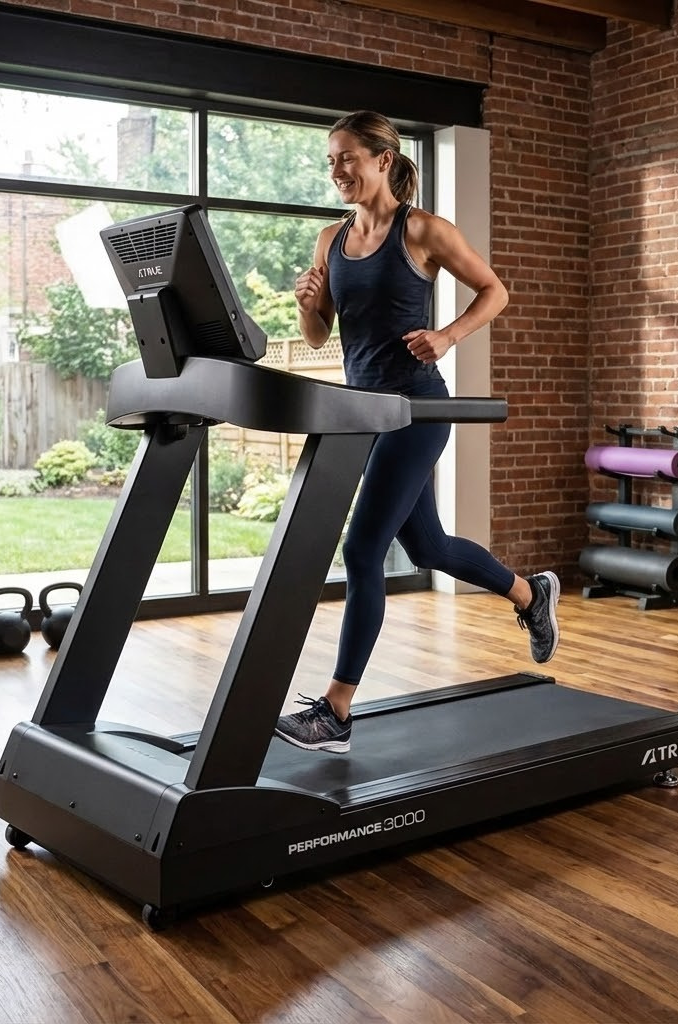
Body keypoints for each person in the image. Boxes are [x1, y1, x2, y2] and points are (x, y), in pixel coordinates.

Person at [274, 110, 559, 754]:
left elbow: (494, 290)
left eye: (347, 157)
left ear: (382, 159)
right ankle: (530, 592)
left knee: (362, 550)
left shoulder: (423, 230)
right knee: (426, 547)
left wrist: (448, 336)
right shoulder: (331, 239)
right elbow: (319, 338)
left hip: (416, 411)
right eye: (331, 160)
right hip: (362, 415)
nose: (337, 170)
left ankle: (337, 712)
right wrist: (307, 305)